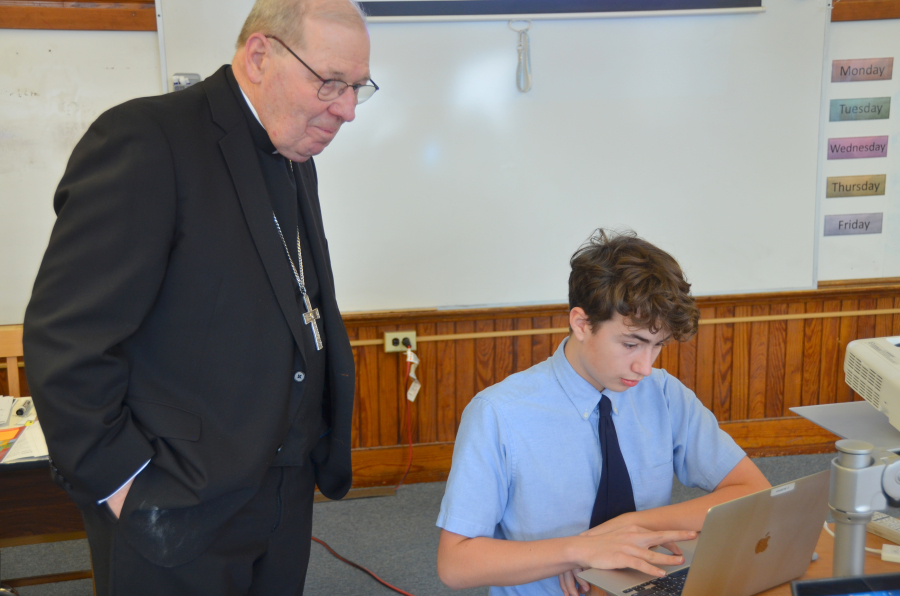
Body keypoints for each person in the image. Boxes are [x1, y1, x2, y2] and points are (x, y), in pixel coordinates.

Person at [22, 0, 375, 593]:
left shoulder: (292, 153)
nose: (346, 110)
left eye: (357, 89)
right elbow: (67, 339)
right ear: (261, 55)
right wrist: (124, 486)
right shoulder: (147, 138)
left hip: (281, 489)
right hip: (171, 497)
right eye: (330, 83)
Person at [436, 229, 772, 596]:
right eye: (631, 344)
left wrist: (629, 527)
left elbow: (753, 490)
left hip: (646, 586)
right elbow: (455, 565)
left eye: (657, 346)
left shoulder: (663, 392)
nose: (645, 366)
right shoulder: (497, 414)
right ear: (581, 324)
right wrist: (578, 549)